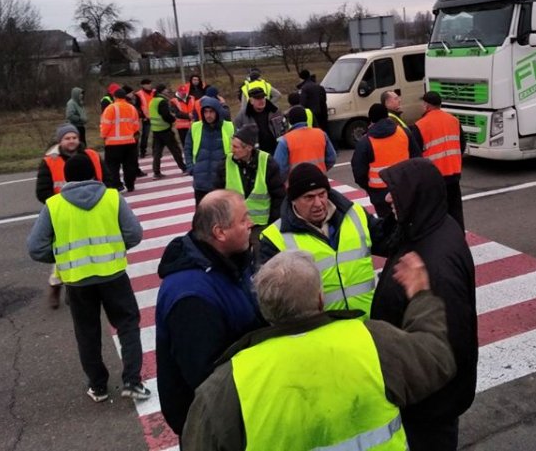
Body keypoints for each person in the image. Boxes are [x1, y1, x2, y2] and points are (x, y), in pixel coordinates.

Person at [182, 250, 457, 451]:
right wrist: (420, 295)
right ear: (320, 299)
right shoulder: (372, 341)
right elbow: (436, 358)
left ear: (265, 311)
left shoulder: (229, 382)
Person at [371, 158, 477, 451]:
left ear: (417, 196)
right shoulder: (427, 226)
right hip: (425, 395)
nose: (387, 197)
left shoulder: (436, 264)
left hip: (429, 403)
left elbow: (447, 344)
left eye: (396, 191)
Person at [26, 153, 150, 403]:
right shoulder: (112, 198)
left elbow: (35, 248)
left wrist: (64, 256)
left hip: (77, 281)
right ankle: (132, 382)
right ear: (94, 174)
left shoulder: (54, 205)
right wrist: (115, 249)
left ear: (66, 179)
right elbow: (134, 233)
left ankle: (98, 386)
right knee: (127, 325)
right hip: (114, 275)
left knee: (87, 333)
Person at [155, 191, 263, 435]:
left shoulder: (231, 261)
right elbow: (206, 378)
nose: (251, 223)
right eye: (243, 219)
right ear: (219, 232)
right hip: (212, 424)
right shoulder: (191, 296)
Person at [259, 162, 395, 315]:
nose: (318, 204)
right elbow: (272, 300)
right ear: (293, 200)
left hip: (367, 321)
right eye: (309, 197)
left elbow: (389, 242)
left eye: (322, 194)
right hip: (322, 327)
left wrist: (401, 211)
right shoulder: (275, 238)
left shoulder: (355, 214)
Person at [35, 123, 106, 308]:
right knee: (65, 253)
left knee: (90, 249)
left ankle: (80, 288)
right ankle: (56, 285)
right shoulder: (50, 161)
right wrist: (61, 206)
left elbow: (106, 178)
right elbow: (42, 192)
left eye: (74, 137)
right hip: (64, 214)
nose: (71, 141)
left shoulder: (91, 155)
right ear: (60, 141)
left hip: (92, 209)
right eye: (67, 138)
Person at [215, 125, 285, 237]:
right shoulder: (224, 164)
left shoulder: (267, 163)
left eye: (236, 147)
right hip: (234, 225)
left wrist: (272, 224)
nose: (232, 150)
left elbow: (279, 196)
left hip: (261, 226)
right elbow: (217, 196)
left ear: (248, 148)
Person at [411, 91, 467, 229]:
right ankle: (458, 236)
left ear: (426, 105)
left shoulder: (420, 125)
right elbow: (462, 145)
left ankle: (442, 239)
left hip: (434, 177)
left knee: (437, 214)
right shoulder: (453, 120)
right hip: (453, 173)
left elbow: (415, 155)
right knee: (455, 211)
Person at [352, 103, 418, 218]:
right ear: (387, 116)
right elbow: (417, 159)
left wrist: (369, 188)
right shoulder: (404, 133)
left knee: (387, 225)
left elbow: (359, 173)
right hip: (405, 187)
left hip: (380, 194)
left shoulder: (365, 142)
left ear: (371, 120)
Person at [184, 96, 234, 206]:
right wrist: (191, 168)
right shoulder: (195, 127)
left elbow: (236, 149)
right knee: (202, 213)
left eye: (211, 111)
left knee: (220, 213)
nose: (208, 115)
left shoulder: (229, 127)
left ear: (217, 112)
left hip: (221, 181)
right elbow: (187, 148)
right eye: (205, 112)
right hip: (200, 181)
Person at [273, 105, 336, 180]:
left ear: (290, 121)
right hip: (320, 179)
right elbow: (332, 158)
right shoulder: (321, 134)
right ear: (306, 118)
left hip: (297, 182)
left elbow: (279, 168)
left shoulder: (285, 140)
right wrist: (321, 171)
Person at [100, 88, 140, 193]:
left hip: (113, 143)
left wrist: (103, 136)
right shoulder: (132, 108)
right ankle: (130, 185)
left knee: (113, 166)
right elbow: (136, 126)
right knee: (129, 165)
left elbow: (105, 125)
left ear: (114, 97)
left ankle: (117, 185)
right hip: (129, 142)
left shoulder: (110, 108)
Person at [232, 86, 285, 155]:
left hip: (277, 151)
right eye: (258, 98)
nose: (261, 100)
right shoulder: (242, 117)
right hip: (256, 154)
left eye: (263, 97)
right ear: (251, 101)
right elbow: (237, 138)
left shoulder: (275, 111)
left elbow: (285, 129)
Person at [149, 83, 186, 179]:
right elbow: (165, 115)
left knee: (157, 153)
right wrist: (173, 119)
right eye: (165, 89)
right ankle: (184, 168)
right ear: (162, 91)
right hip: (165, 129)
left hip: (156, 130)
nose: (167, 91)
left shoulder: (153, 100)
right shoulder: (162, 101)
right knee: (175, 150)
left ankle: (156, 172)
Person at [135, 79, 155, 157]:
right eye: (147, 84)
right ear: (143, 85)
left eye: (150, 83)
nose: (149, 85)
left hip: (156, 117)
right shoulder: (139, 94)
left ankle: (155, 150)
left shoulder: (154, 92)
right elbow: (138, 106)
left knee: (156, 135)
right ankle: (143, 151)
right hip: (146, 118)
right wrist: (142, 116)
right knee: (145, 135)